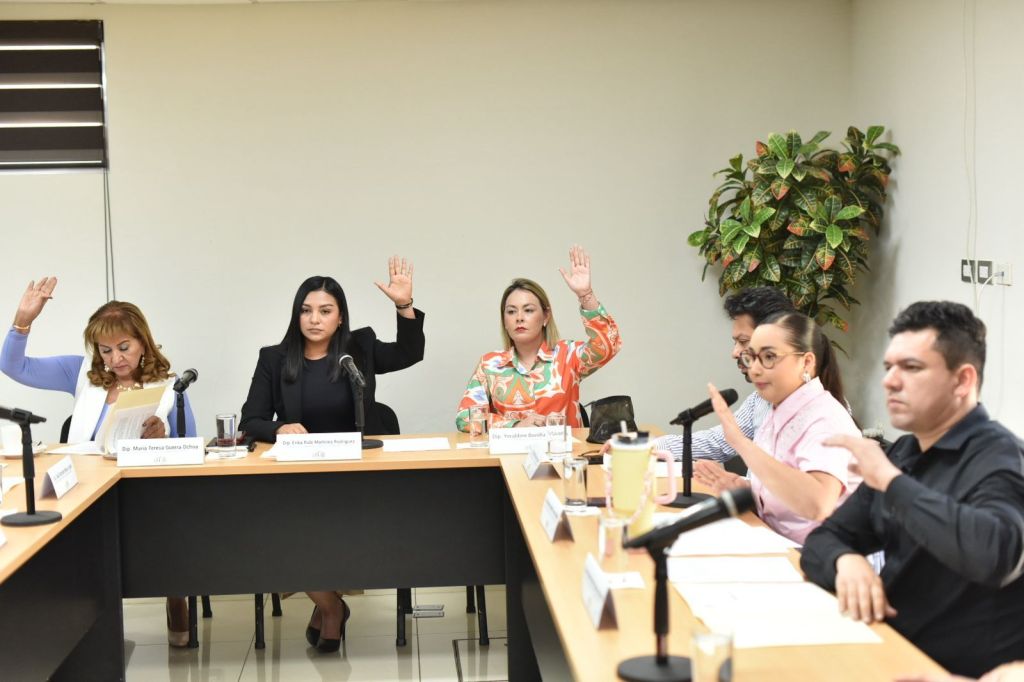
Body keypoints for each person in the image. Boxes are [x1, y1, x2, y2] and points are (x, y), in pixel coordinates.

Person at [801, 301, 1024, 678]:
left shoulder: (1001, 458)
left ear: (963, 380)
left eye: (912, 367)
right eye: (889, 367)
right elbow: (824, 539)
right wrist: (845, 560)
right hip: (887, 647)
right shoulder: (905, 451)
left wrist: (891, 482)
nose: (890, 381)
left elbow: (993, 554)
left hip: (950, 671)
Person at [238, 257, 425, 652]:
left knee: (333, 527)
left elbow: (410, 353)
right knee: (285, 532)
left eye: (325, 311)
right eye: (306, 310)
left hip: (355, 475)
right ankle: (332, 606)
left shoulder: (360, 349)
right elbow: (251, 419)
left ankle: (328, 609)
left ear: (340, 317)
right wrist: (279, 428)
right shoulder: (274, 358)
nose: (314, 319)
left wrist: (404, 306)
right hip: (299, 475)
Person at [0, 276, 198, 647]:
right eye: (105, 350)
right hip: (88, 488)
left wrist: (165, 434)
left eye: (124, 347)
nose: (115, 359)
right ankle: (81, 620)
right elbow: (13, 366)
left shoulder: (171, 386)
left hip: (145, 490)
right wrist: (23, 320)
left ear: (143, 342)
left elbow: (192, 446)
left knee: (168, 521)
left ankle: (174, 592)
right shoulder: (80, 374)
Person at [695, 311, 861, 544]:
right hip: (777, 544)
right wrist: (746, 489)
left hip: (821, 558)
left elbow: (817, 504)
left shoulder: (826, 419)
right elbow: (785, 495)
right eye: (751, 357)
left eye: (769, 357)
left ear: (806, 362)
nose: (754, 369)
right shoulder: (778, 409)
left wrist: (741, 443)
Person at [455, 245, 620, 431]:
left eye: (528, 310)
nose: (519, 318)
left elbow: (608, 344)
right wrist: (515, 425)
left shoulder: (568, 355)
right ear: (504, 321)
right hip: (511, 450)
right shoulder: (490, 365)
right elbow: (465, 417)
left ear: (545, 316)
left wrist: (585, 295)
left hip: (562, 448)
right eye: (511, 311)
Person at [655, 286, 795, 462]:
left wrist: (736, 479)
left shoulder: (813, 408)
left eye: (743, 341)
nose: (735, 353)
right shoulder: (759, 400)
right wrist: (646, 446)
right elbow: (718, 441)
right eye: (736, 342)